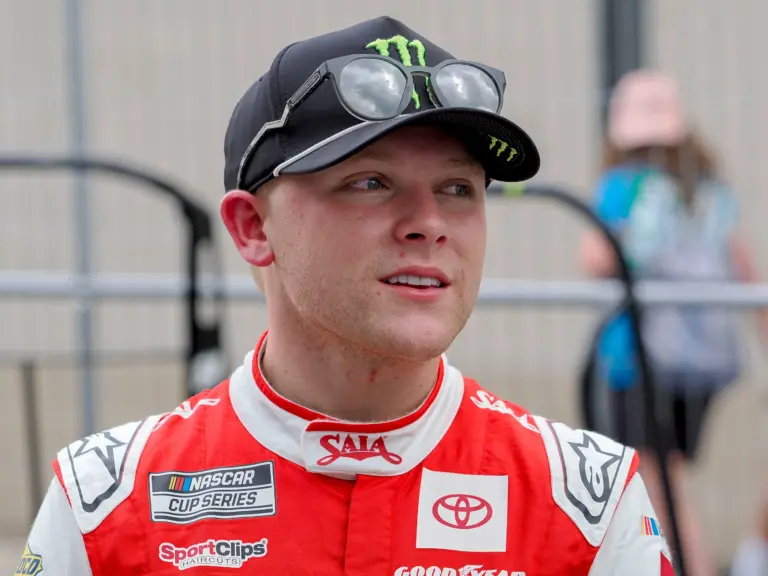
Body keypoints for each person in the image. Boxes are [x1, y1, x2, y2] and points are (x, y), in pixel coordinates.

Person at [19, 17, 672, 575]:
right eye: (370, 182)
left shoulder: (586, 502)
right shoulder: (104, 504)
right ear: (252, 228)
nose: (430, 222)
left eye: (457, 188)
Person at [579, 69, 768, 576]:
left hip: (637, 357)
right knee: (672, 473)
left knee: (658, 482)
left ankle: (692, 568)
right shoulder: (709, 192)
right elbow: (744, 267)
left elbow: (595, 257)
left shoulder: (623, 187)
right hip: (703, 362)